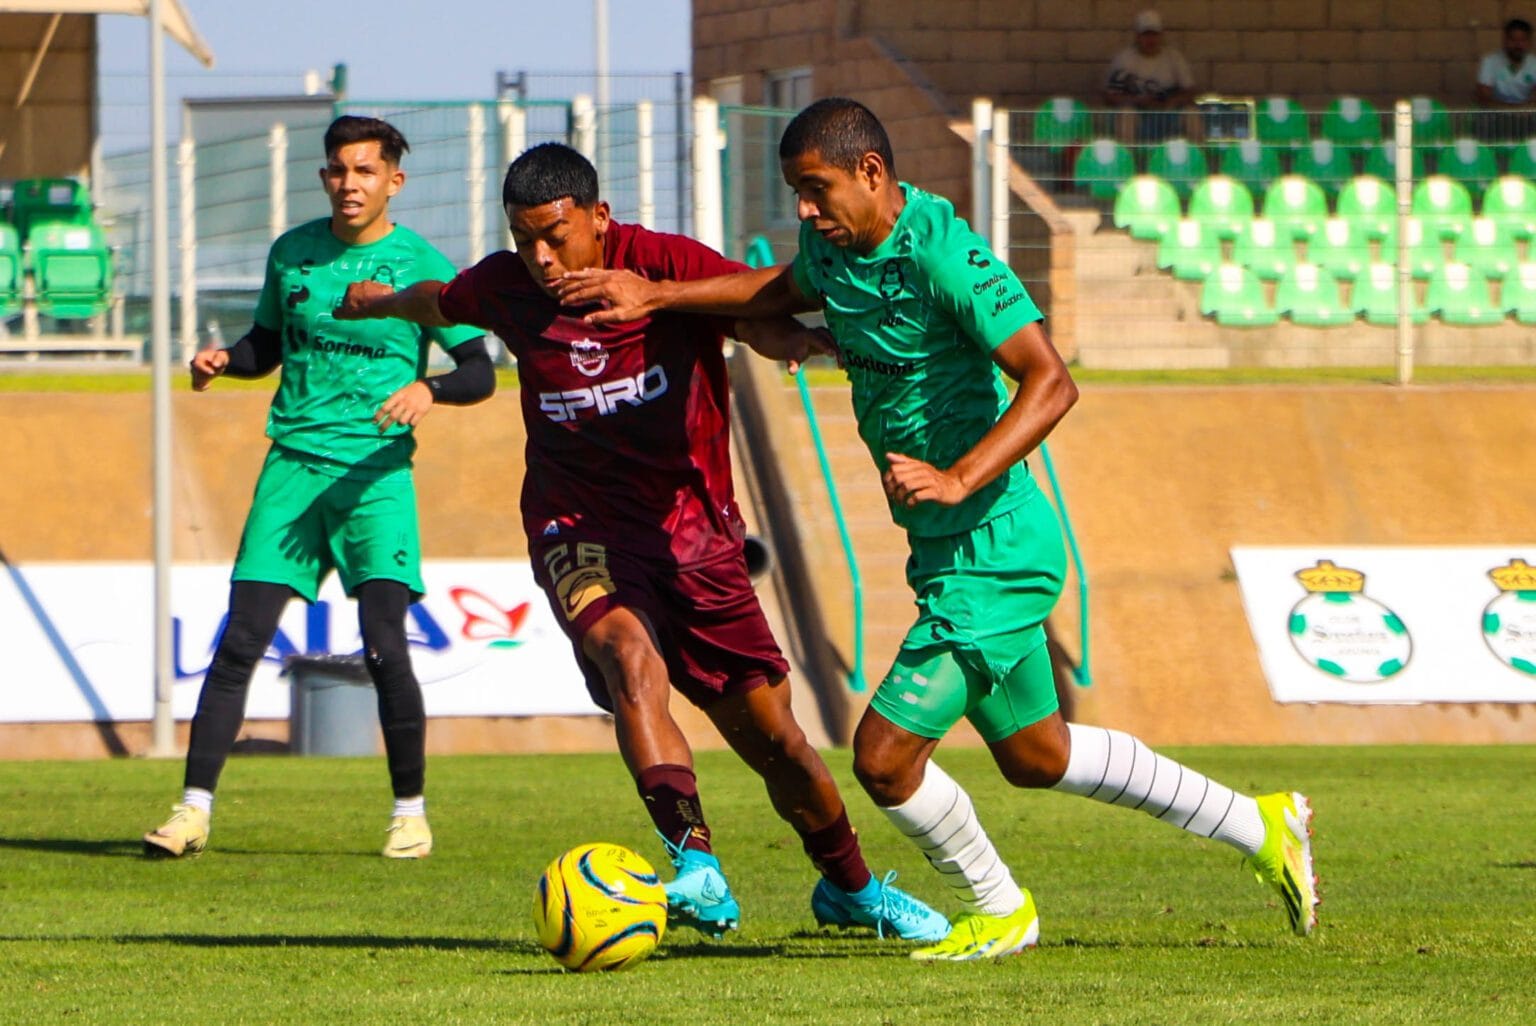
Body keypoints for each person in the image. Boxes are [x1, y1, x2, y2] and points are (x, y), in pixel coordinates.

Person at [553, 97, 1321, 960]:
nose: (804, 211)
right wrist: (662, 296)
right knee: (1038, 755)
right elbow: (782, 289)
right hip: (946, 551)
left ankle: (1000, 909)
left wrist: (958, 477)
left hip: (996, 549)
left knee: (883, 758)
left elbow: (1050, 381)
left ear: (872, 174)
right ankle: (1260, 825)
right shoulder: (835, 248)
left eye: (816, 190)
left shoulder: (947, 253)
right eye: (795, 192)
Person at [333, 141, 948, 943]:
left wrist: (771, 336)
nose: (544, 258)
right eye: (526, 240)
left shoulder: (661, 262)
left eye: (557, 235)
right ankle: (693, 861)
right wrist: (377, 303)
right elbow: (441, 301)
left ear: (599, 217)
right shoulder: (510, 285)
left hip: (693, 537)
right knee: (629, 658)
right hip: (575, 524)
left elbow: (751, 306)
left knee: (777, 742)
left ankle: (852, 890)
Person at [141, 116, 495, 860]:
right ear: (324, 176)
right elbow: (265, 347)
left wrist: (429, 390)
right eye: (338, 170)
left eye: (365, 171)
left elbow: (479, 371)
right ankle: (192, 811)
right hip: (293, 469)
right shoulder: (292, 254)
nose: (349, 184)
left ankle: (409, 813)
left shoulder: (423, 267)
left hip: (375, 476)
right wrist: (224, 361)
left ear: (393, 180)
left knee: (383, 649)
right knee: (239, 642)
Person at [1103, 10, 1199, 142]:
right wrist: (1138, 101)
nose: (1150, 39)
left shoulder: (1174, 57)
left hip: (1168, 116)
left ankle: (1199, 159)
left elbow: (1190, 91)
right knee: (1127, 114)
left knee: (1191, 113)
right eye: (1146, 34)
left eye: (1154, 34)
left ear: (1161, 35)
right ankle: (1129, 160)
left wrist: (1173, 102)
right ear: (1137, 36)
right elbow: (1110, 96)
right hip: (1139, 118)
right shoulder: (1124, 60)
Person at [1475, 18, 1536, 141]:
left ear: (1529, 42)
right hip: (1497, 115)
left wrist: (1526, 109)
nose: (1518, 45)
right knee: (1482, 119)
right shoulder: (1490, 61)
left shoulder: (1534, 63)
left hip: (1526, 115)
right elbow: (1483, 98)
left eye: (1522, 40)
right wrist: (1514, 110)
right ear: (1505, 41)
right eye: (1513, 40)